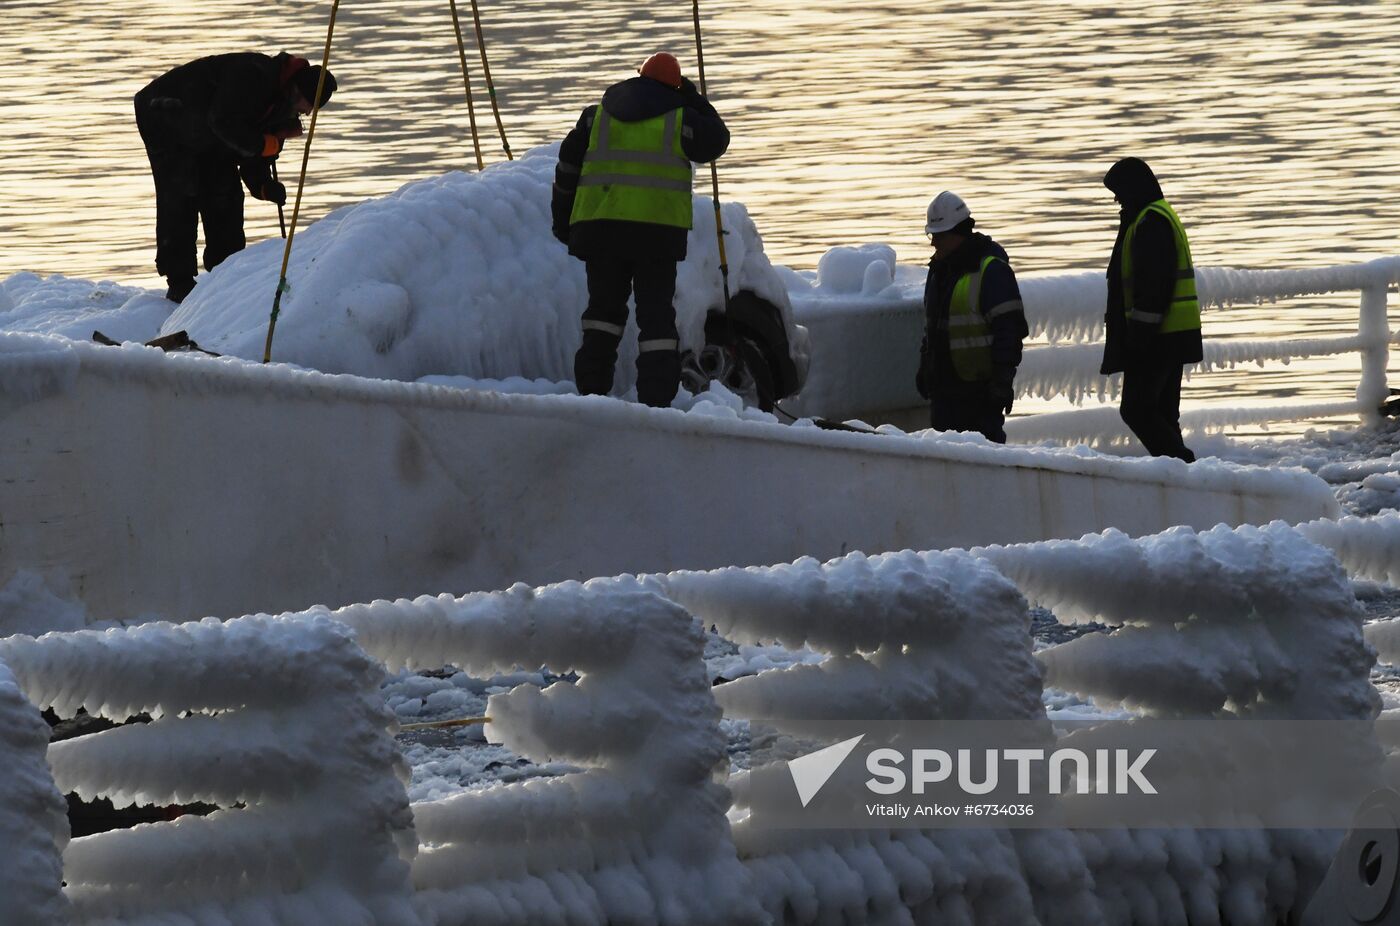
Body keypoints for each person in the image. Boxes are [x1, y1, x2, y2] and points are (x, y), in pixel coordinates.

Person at [551, 52, 729, 408]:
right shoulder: (680, 120)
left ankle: (591, 397)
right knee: (656, 321)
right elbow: (717, 140)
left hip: (601, 231)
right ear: (673, 88)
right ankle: (656, 403)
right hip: (655, 237)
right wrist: (693, 98)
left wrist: (564, 222)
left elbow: (567, 170)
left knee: (602, 316)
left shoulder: (595, 117)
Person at [134, 53, 338, 303]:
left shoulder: (284, 106)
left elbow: (255, 154)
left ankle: (224, 273)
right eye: (303, 103)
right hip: (167, 114)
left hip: (211, 134)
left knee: (226, 196)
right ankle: (180, 282)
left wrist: (263, 186)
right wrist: (262, 144)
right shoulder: (254, 74)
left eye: (307, 110)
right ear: (294, 87)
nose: (302, 112)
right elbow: (224, 121)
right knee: (181, 194)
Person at [1100, 157, 1202, 462]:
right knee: (1163, 413)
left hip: (1157, 337)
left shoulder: (1150, 222)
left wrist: (1138, 341)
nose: (1116, 200)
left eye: (1118, 193)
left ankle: (1185, 469)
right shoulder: (1154, 216)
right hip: (1171, 334)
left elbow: (1154, 288)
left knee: (1137, 409)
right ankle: (1182, 481)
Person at [915, 191, 1028, 443]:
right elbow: (932, 327)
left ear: (958, 233)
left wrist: (1001, 382)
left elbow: (1009, 330)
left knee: (985, 458)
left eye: (939, 236)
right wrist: (925, 365)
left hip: (979, 392)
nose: (933, 243)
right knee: (945, 459)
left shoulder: (991, 271)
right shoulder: (939, 271)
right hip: (943, 391)